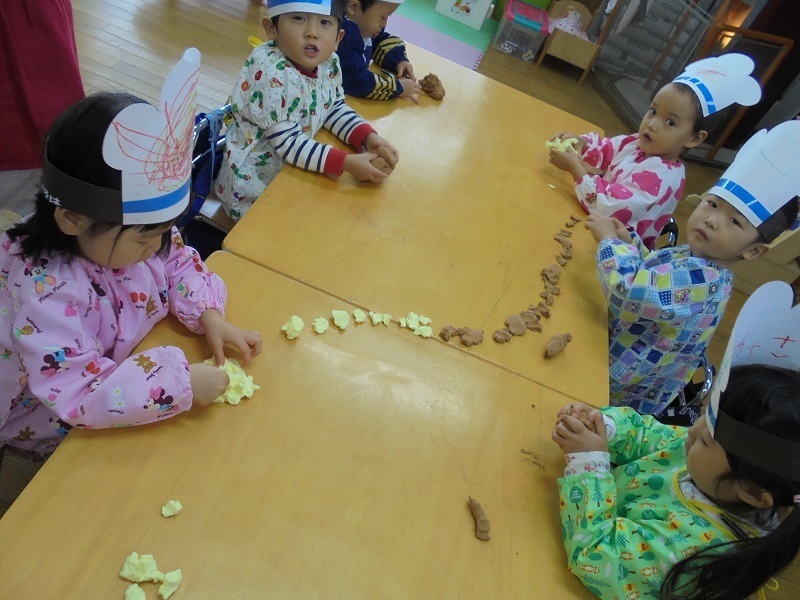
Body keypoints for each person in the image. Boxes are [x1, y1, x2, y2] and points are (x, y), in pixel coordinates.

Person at [0, 49, 262, 456]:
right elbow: (78, 391)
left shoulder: (130, 237)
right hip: (48, 423)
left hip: (126, 374)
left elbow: (176, 261)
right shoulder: (47, 294)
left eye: (163, 232)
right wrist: (180, 383)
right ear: (72, 219)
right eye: (144, 238)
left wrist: (208, 313)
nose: (156, 247)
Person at [551, 281, 800, 600]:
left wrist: (589, 464)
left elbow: (596, 555)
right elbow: (647, 435)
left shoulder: (696, 550)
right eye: (704, 415)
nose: (692, 429)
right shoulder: (712, 458)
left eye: (708, 439)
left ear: (753, 493)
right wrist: (605, 426)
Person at [588, 118, 800, 415]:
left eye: (734, 221)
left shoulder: (703, 281)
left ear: (754, 250)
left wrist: (611, 242)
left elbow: (630, 294)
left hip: (615, 391)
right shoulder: (700, 257)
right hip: (612, 345)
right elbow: (655, 273)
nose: (712, 219)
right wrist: (631, 241)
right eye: (712, 204)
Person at [548, 54, 762, 249]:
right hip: (589, 223)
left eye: (670, 122)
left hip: (612, 253)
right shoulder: (639, 144)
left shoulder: (660, 177)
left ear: (694, 138)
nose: (652, 124)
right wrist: (582, 143)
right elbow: (608, 149)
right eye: (653, 111)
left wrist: (576, 169)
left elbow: (609, 208)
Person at [214, 0, 399, 221]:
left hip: (292, 172)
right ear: (272, 28)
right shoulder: (271, 72)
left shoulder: (328, 63)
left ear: (339, 38)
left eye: (324, 22)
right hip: (252, 191)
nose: (312, 32)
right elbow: (289, 144)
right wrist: (346, 163)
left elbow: (332, 107)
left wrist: (366, 137)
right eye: (298, 19)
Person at [338, 0, 422, 103]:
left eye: (388, 17)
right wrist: (398, 88)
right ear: (353, 7)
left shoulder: (363, 27)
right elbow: (357, 80)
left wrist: (399, 60)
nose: (384, 23)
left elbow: (378, 41)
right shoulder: (344, 39)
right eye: (383, 17)